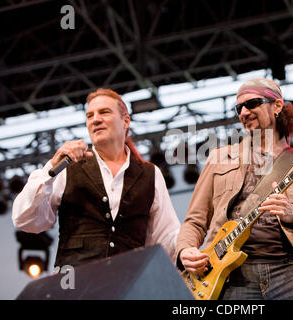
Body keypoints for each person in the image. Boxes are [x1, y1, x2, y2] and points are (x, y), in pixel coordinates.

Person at [176, 78, 293, 300]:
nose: (243, 112)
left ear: (277, 106)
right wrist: (185, 251)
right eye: (238, 108)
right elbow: (195, 220)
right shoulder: (220, 157)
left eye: (252, 104)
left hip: (290, 268)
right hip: (231, 275)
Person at [12, 88, 180, 268]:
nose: (96, 120)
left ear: (125, 120)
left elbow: (167, 236)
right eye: (90, 116)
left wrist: (188, 250)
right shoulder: (68, 167)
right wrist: (49, 170)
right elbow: (24, 219)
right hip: (76, 286)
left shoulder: (150, 173)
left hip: (131, 282)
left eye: (104, 112)